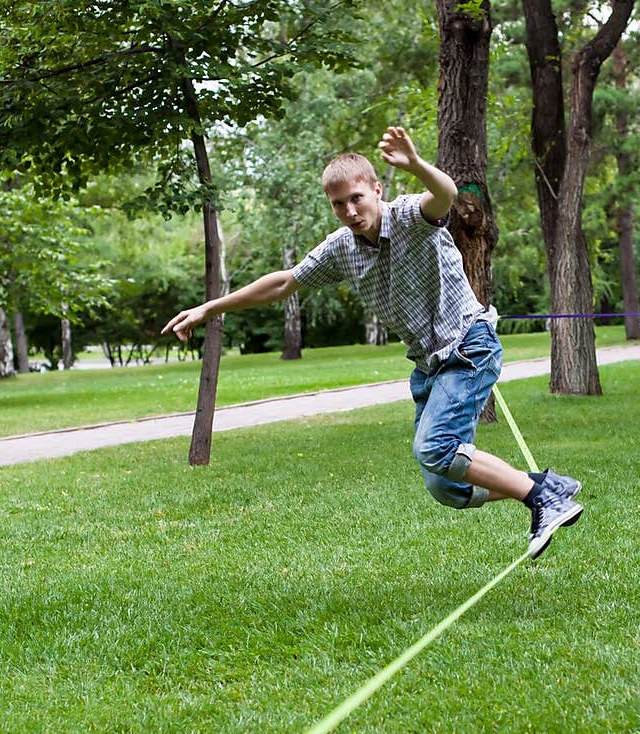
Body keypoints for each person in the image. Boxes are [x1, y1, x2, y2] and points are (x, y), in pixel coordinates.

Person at [161, 126, 583, 560]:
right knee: (446, 487)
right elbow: (284, 282)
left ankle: (541, 498)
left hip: (467, 346)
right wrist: (211, 308)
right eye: (338, 204)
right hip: (428, 366)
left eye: (356, 198)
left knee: (435, 448)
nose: (349, 210)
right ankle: (545, 486)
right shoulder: (341, 248)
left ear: (376, 190)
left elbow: (445, 195)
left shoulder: (408, 218)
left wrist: (417, 165)